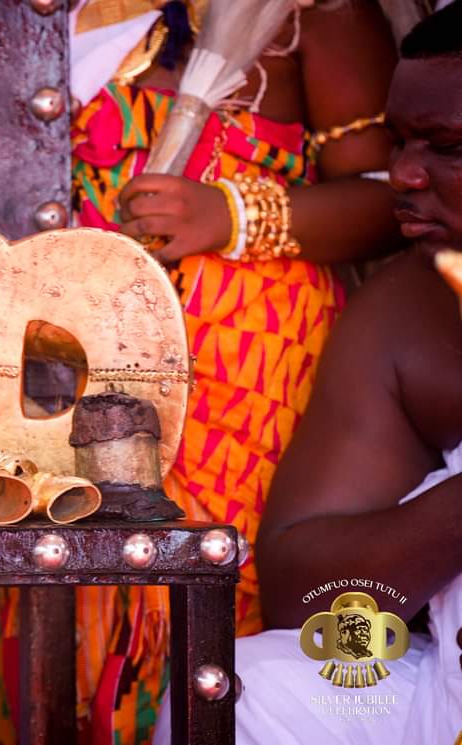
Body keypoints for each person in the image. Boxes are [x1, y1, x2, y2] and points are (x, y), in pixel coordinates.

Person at [0, 2, 406, 743]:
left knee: (210, 608)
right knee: (65, 603)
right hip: (58, 366)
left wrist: (228, 215)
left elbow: (396, 196)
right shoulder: (41, 14)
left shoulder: (315, 12)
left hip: (243, 371)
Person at [151, 3, 462, 740]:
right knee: (251, 690)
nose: (404, 174)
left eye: (448, 146)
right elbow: (311, 603)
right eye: (400, 141)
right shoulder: (410, 312)